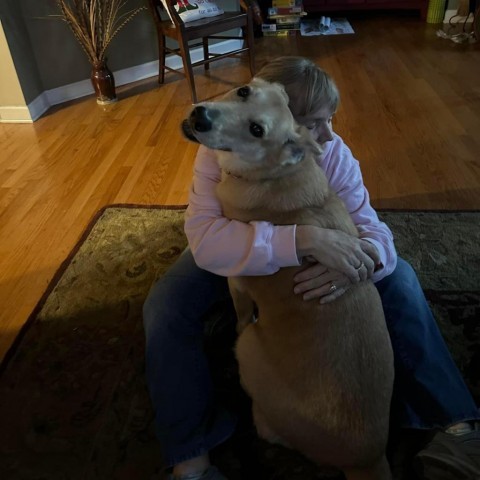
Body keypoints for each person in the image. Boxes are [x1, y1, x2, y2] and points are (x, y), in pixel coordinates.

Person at [143, 56, 480, 480]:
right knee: (167, 305)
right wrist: (302, 239)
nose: (329, 134)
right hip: (235, 252)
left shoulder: (331, 152)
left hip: (320, 249)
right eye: (316, 122)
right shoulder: (219, 146)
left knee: (402, 279)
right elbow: (207, 240)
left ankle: (456, 424)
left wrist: (360, 260)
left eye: (330, 119)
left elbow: (370, 225)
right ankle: (191, 459)